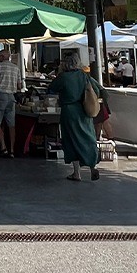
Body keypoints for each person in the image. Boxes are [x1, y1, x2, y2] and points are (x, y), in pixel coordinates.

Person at [47, 50, 106, 182]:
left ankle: (76, 173)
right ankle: (92, 166)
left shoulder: (63, 77)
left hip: (69, 112)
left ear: (65, 64)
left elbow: (51, 88)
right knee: (88, 137)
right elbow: (97, 89)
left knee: (71, 140)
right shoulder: (84, 75)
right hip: (85, 111)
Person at [0, 48, 20, 157]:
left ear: (3, 57)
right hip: (11, 97)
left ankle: (3, 147)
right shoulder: (16, 68)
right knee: (11, 124)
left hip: (0, 96)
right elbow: (19, 85)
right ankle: (12, 150)